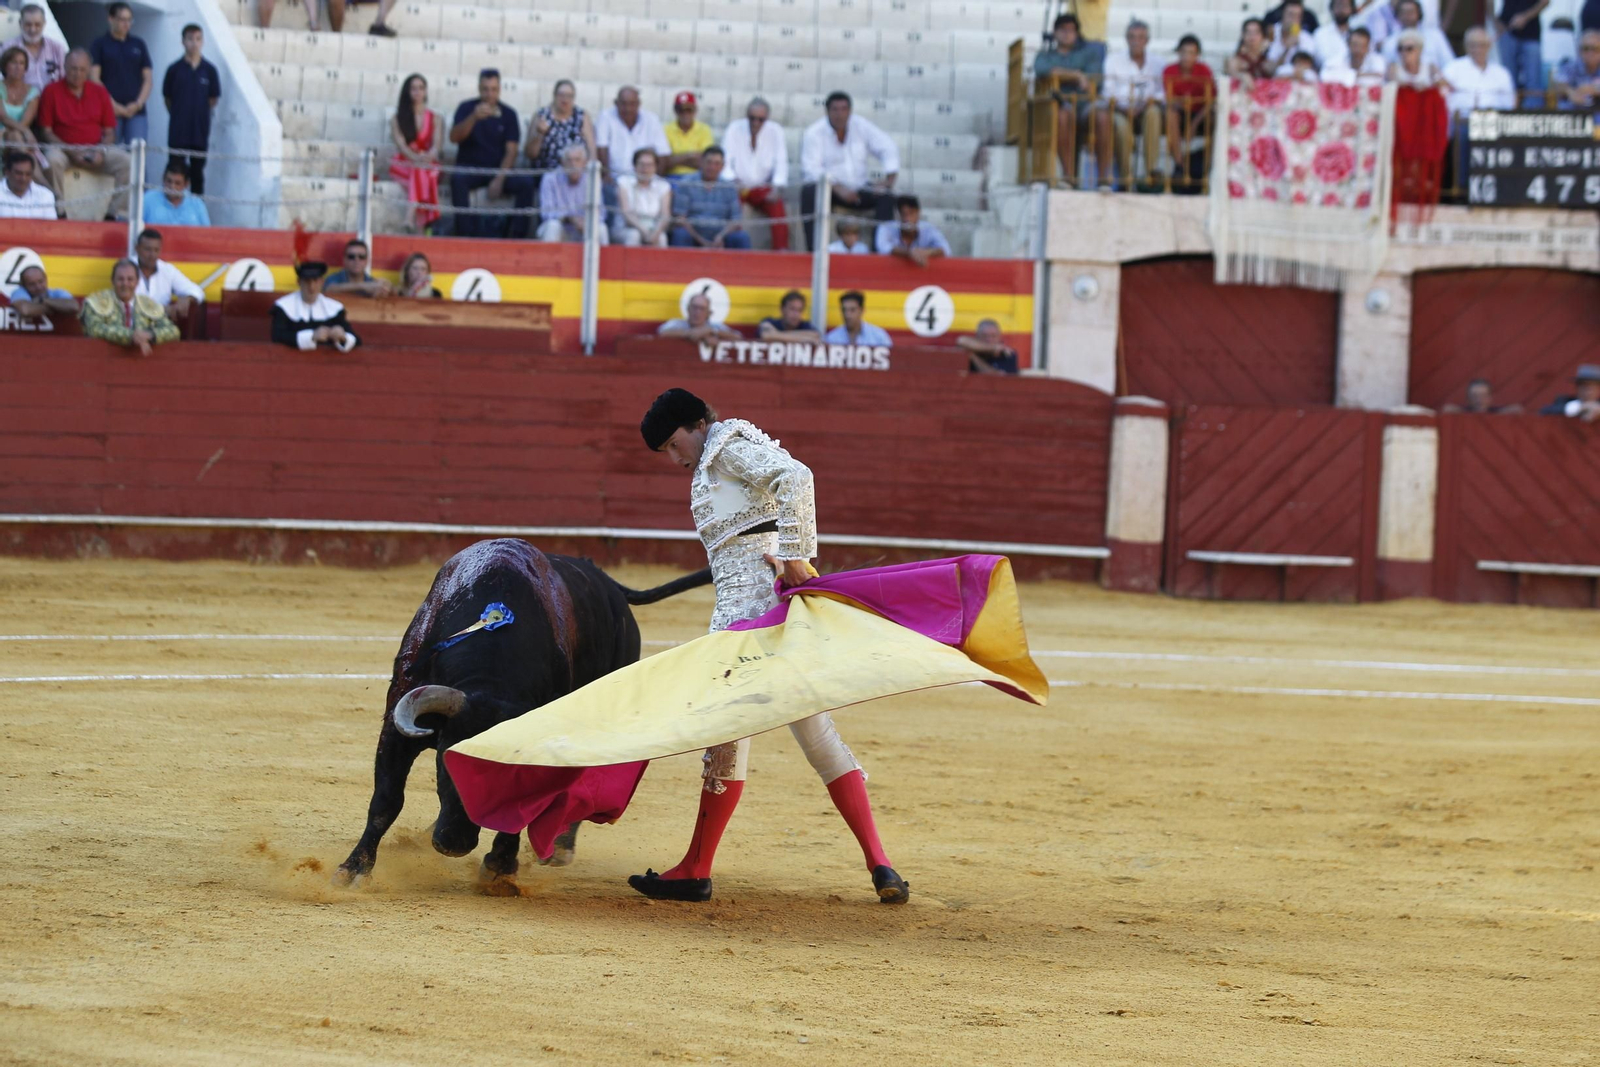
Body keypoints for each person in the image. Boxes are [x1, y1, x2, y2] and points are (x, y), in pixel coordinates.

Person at [627, 387, 909, 905]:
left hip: (745, 623)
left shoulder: (723, 446)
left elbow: (796, 477)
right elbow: (768, 512)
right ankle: (881, 865)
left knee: (725, 744)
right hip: (779, 617)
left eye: (673, 444)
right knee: (818, 735)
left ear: (696, 423)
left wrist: (798, 557)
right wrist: (782, 553)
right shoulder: (723, 453)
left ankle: (696, 869)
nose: (674, 459)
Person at [799, 91, 899, 251]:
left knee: (887, 196)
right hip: (831, 190)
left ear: (850, 111)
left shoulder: (861, 125)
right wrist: (837, 188)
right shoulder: (814, 133)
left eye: (844, 109)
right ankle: (815, 251)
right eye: (835, 109)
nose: (840, 114)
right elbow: (810, 169)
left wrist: (889, 180)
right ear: (827, 111)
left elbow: (887, 146)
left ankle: (880, 252)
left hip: (859, 187)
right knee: (809, 192)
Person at [39, 49, 131, 219]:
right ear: (65, 67)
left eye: (82, 69)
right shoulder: (51, 91)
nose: (77, 73)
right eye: (73, 68)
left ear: (89, 69)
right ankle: (59, 210)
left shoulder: (100, 92)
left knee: (128, 162)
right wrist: (71, 151)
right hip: (64, 149)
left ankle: (113, 214)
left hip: (95, 149)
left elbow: (110, 132)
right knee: (51, 160)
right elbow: (47, 132)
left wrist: (100, 151)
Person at [448, 69, 534, 240]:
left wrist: (499, 179)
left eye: (493, 89)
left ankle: (517, 237)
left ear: (499, 89)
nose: (489, 94)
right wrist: (473, 117)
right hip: (470, 168)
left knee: (527, 183)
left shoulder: (509, 114)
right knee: (457, 179)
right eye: (486, 89)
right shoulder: (466, 108)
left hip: (498, 169)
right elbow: (454, 137)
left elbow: (512, 150)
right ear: (479, 88)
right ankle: (464, 236)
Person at [1033, 14, 1106, 189]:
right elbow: (1042, 70)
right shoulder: (1045, 54)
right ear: (1055, 32)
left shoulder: (1089, 53)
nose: (1067, 34)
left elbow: (1094, 79)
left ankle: (1105, 180)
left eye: (1071, 30)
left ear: (1077, 33)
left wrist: (1061, 74)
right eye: (1062, 30)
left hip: (1085, 105)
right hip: (1059, 105)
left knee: (1103, 117)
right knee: (1062, 116)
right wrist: (1076, 75)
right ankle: (1068, 177)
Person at [1095, 20, 1165, 191]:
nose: (1136, 41)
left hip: (1147, 109)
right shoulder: (1113, 60)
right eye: (1132, 37)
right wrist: (1124, 109)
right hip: (1119, 109)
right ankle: (1126, 178)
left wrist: (1147, 103)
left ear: (1147, 40)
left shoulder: (1158, 62)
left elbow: (1162, 93)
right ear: (1127, 39)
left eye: (1141, 37)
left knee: (1154, 114)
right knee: (1120, 126)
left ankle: (1150, 173)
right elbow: (1107, 93)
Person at [722, 96, 790, 251]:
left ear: (766, 118)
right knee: (732, 204)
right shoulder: (734, 128)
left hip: (762, 187)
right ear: (747, 116)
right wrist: (733, 180)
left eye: (760, 119)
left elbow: (781, 162)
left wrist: (777, 187)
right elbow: (725, 161)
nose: (755, 123)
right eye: (752, 118)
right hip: (739, 187)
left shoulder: (775, 131)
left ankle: (781, 249)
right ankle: (732, 248)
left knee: (777, 204)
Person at [162, 23, 218, 196]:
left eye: (198, 39)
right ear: (183, 41)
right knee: (175, 171)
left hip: (199, 132)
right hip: (178, 131)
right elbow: (167, 98)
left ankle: (196, 214)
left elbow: (213, 99)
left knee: (197, 174)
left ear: (202, 41)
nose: (194, 43)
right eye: (190, 39)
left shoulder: (210, 71)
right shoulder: (174, 70)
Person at [81, 258, 178, 356]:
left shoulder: (148, 304)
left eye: (130, 279)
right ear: (112, 281)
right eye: (120, 279)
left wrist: (149, 335)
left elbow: (173, 331)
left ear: (137, 282)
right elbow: (94, 329)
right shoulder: (96, 302)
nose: (125, 284)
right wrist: (131, 336)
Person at [88, 3, 151, 145]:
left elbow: (148, 78)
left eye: (129, 20)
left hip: (136, 113)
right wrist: (113, 105)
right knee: (109, 156)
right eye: (122, 19)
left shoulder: (139, 44)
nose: (126, 24)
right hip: (109, 112)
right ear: (111, 19)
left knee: (137, 157)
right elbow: (94, 78)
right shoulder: (99, 44)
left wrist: (138, 103)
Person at [389, 73, 442, 231]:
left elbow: (437, 146)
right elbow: (401, 146)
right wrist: (416, 159)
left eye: (421, 88)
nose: (417, 92)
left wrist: (427, 157)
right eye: (413, 88)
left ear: (425, 91)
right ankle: (424, 224)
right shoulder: (397, 118)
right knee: (422, 173)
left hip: (427, 162)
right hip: (403, 163)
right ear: (407, 92)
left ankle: (410, 218)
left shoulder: (435, 118)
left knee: (422, 171)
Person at [669, 145, 749, 249]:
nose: (712, 167)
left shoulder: (729, 187)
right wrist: (701, 241)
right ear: (701, 162)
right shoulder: (686, 183)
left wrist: (720, 237)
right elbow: (680, 218)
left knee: (741, 237)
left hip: (721, 236)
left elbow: (735, 220)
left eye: (717, 164)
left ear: (722, 166)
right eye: (709, 162)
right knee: (680, 234)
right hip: (693, 234)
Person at [272, 261, 359, 352]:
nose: (311, 287)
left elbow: (356, 339)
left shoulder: (334, 309)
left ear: (322, 282)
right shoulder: (284, 307)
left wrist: (343, 336)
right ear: (299, 282)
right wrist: (311, 336)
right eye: (307, 281)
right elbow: (277, 336)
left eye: (315, 281)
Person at [1163, 35, 1214, 186]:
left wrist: (1194, 124)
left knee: (1219, 119)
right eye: (1184, 52)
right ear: (1178, 52)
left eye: (1191, 53)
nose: (1187, 56)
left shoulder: (1204, 71)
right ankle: (1180, 164)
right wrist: (1181, 104)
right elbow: (1170, 99)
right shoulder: (1169, 70)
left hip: (1200, 114)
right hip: (1180, 112)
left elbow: (1210, 100)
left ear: (1197, 55)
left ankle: (1208, 165)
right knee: (1170, 114)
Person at [594, 85, 669, 182]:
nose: (628, 108)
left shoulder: (652, 120)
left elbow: (663, 154)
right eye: (624, 104)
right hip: (614, 179)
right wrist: (606, 176)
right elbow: (601, 148)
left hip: (644, 180)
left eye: (632, 104)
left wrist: (654, 182)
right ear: (616, 103)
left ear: (639, 104)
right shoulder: (605, 117)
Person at [2, 55, 51, 196]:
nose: (18, 67)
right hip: (7, 135)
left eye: (21, 63)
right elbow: (3, 117)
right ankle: (47, 188)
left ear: (26, 68)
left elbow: (26, 121)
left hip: (19, 138)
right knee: (17, 136)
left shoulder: (32, 91)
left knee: (16, 136)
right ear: (5, 66)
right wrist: (25, 132)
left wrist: (23, 131)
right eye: (13, 62)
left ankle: (44, 187)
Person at [525, 79, 594, 177]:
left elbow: (592, 151)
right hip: (546, 175)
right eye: (561, 95)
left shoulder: (581, 116)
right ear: (554, 95)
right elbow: (530, 154)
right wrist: (540, 134)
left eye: (569, 96)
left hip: (574, 177)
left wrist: (591, 173)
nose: (565, 99)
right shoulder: (541, 115)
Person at [537, 143, 605, 243]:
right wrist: (569, 218)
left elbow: (601, 213)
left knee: (602, 229)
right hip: (561, 228)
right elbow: (546, 213)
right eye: (569, 160)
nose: (573, 164)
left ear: (584, 163)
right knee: (552, 226)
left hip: (584, 229)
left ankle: (603, 259)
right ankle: (548, 259)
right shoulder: (550, 178)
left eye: (577, 160)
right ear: (562, 162)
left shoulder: (592, 180)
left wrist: (586, 221)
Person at [1441, 28, 1516, 119]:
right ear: (1466, 47)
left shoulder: (1501, 72)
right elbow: (1443, 97)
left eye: (1482, 45)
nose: (1478, 50)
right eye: (1473, 45)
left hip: (1494, 122)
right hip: (1462, 121)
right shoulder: (1453, 68)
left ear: (1489, 46)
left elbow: (1510, 102)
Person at [132, 228, 204, 319]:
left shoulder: (167, 270)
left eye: (156, 250)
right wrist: (162, 309)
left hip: (160, 327)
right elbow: (124, 304)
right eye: (148, 249)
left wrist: (187, 298)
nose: (152, 255)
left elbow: (197, 291)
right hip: (132, 324)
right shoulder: (126, 268)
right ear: (137, 249)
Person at [613, 146, 671, 247]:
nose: (645, 169)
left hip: (653, 228)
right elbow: (627, 214)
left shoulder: (663, 185)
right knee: (634, 235)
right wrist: (644, 231)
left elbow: (665, 215)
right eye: (641, 164)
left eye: (649, 165)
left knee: (662, 237)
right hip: (626, 228)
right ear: (634, 166)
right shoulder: (623, 182)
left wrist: (655, 233)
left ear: (655, 167)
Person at [1, 5, 66, 91]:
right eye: (28, 24)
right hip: (20, 102)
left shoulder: (57, 49)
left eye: (37, 25)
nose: (33, 30)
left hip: (51, 101)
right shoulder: (7, 47)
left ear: (44, 24)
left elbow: (65, 78)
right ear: (20, 23)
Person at [1497, 0, 1549, 105]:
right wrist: (1495, 21)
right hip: (1507, 31)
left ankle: (1534, 115)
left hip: (1531, 33)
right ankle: (1508, 111)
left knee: (1533, 79)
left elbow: (1545, 1)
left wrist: (1525, 17)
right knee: (1508, 78)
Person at [874, 194, 949, 266]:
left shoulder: (929, 229)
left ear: (918, 213)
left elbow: (946, 249)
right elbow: (883, 248)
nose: (907, 219)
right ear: (898, 216)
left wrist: (927, 252)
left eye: (911, 213)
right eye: (904, 214)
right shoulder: (886, 227)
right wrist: (910, 253)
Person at [1381, 0, 1454, 71]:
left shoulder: (1435, 36)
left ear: (1419, 14)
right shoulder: (1390, 41)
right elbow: (1385, 68)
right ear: (1397, 16)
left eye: (1411, 12)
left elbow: (1449, 63)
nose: (1407, 16)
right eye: (1404, 13)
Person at [661, 90, 713, 181]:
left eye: (689, 110)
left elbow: (705, 161)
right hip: (672, 177)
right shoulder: (666, 130)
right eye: (681, 110)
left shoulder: (704, 130)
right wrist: (691, 155)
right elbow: (664, 162)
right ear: (675, 111)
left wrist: (676, 159)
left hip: (697, 178)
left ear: (695, 110)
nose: (685, 114)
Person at [141, 158, 209, 226]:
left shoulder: (196, 203)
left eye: (177, 183)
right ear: (163, 179)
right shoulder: (148, 199)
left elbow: (207, 233)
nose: (172, 186)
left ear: (186, 184)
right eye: (169, 181)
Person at [324, 239, 394, 298]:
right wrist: (362, 286)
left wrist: (387, 287)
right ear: (344, 260)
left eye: (361, 257)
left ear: (367, 260)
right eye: (351, 256)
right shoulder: (334, 279)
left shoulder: (371, 282)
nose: (356, 260)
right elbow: (329, 289)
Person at [658, 292, 740, 342]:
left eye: (702, 309)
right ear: (688, 309)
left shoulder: (715, 327)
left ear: (708, 313)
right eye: (694, 307)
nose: (697, 312)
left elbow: (738, 337)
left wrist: (711, 331)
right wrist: (692, 333)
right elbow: (662, 332)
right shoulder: (677, 324)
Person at [7, 264, 78, 321]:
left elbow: (74, 307)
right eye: (32, 284)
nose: (38, 287)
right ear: (23, 285)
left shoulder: (57, 292)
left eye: (41, 282)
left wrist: (42, 301)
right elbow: (26, 310)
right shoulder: (19, 292)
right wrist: (58, 307)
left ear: (46, 279)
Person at [823, 290, 892, 346]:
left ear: (862, 310)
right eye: (844, 310)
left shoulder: (879, 337)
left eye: (852, 310)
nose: (847, 315)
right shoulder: (832, 338)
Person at [1554, 30, 1600, 112]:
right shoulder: (1571, 66)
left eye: (1595, 49)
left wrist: (1594, 90)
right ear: (1579, 51)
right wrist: (1571, 92)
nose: (1590, 53)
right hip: (1574, 113)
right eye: (1586, 49)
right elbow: (1558, 83)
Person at [0, 147, 54, 218]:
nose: (23, 178)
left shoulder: (45, 195)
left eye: (28, 174)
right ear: (7, 172)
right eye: (18, 173)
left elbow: (50, 227)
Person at [1267, 0, 1317, 68]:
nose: (1294, 20)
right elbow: (1269, 70)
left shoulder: (1307, 39)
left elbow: (1306, 69)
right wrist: (1287, 49)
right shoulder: (1271, 32)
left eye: (1298, 16)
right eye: (1290, 15)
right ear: (1282, 14)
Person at [1228, 18, 1278, 83]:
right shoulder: (1236, 61)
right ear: (1243, 35)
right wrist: (1241, 76)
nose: (1252, 36)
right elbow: (1232, 71)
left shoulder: (1267, 62)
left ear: (1263, 36)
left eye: (1256, 33)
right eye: (1248, 32)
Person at [1314, 0, 1357, 67]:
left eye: (1345, 6)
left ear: (1352, 9)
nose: (1341, 9)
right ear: (1332, 8)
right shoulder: (1320, 34)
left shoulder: (1358, 35)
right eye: (1338, 5)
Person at [1442, 378, 1521, 413]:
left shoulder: (1494, 412)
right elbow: (1447, 409)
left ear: (1490, 398)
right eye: (1475, 396)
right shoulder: (1465, 412)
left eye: (1483, 396)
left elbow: (1517, 409)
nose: (1479, 400)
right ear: (1468, 399)